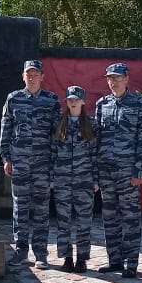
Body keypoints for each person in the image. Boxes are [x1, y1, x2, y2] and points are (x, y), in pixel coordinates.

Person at [0, 59, 60, 269]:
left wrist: (54, 164)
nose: (32, 77)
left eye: (36, 74)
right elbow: (5, 129)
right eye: (29, 74)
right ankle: (21, 251)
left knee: (42, 208)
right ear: (23, 76)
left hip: (43, 163)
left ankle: (41, 253)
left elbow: (57, 135)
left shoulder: (52, 101)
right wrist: (6, 158)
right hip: (20, 162)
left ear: (43, 77)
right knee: (20, 208)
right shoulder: (13, 99)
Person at [93, 63, 142, 278]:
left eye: (117, 77)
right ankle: (114, 260)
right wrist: (95, 171)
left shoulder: (139, 104)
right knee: (109, 216)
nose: (113, 81)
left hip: (128, 172)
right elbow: (96, 140)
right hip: (106, 170)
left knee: (130, 217)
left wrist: (139, 170)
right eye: (110, 78)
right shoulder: (102, 104)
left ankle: (131, 263)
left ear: (127, 79)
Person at [50, 85, 96, 273]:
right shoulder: (59, 124)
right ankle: (67, 258)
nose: (73, 102)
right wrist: (52, 178)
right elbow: (52, 153)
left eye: (76, 99)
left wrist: (96, 179)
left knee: (84, 222)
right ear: (66, 102)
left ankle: (82, 259)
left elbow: (95, 155)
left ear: (83, 101)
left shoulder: (91, 124)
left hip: (84, 180)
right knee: (63, 222)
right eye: (70, 99)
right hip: (62, 181)